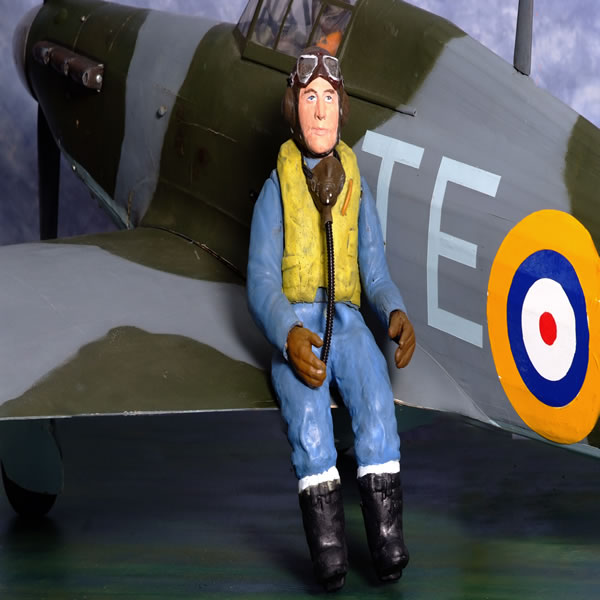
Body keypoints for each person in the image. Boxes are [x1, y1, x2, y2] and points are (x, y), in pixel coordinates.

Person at [247, 46, 416, 592]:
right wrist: (288, 333)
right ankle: (328, 550)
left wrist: (394, 311)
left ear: (342, 109)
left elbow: (374, 270)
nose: (319, 111)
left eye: (328, 98)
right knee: (311, 423)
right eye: (308, 98)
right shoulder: (277, 190)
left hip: (346, 322)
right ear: (293, 107)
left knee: (376, 401)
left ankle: (387, 540)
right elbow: (260, 281)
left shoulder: (355, 188)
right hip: (300, 326)